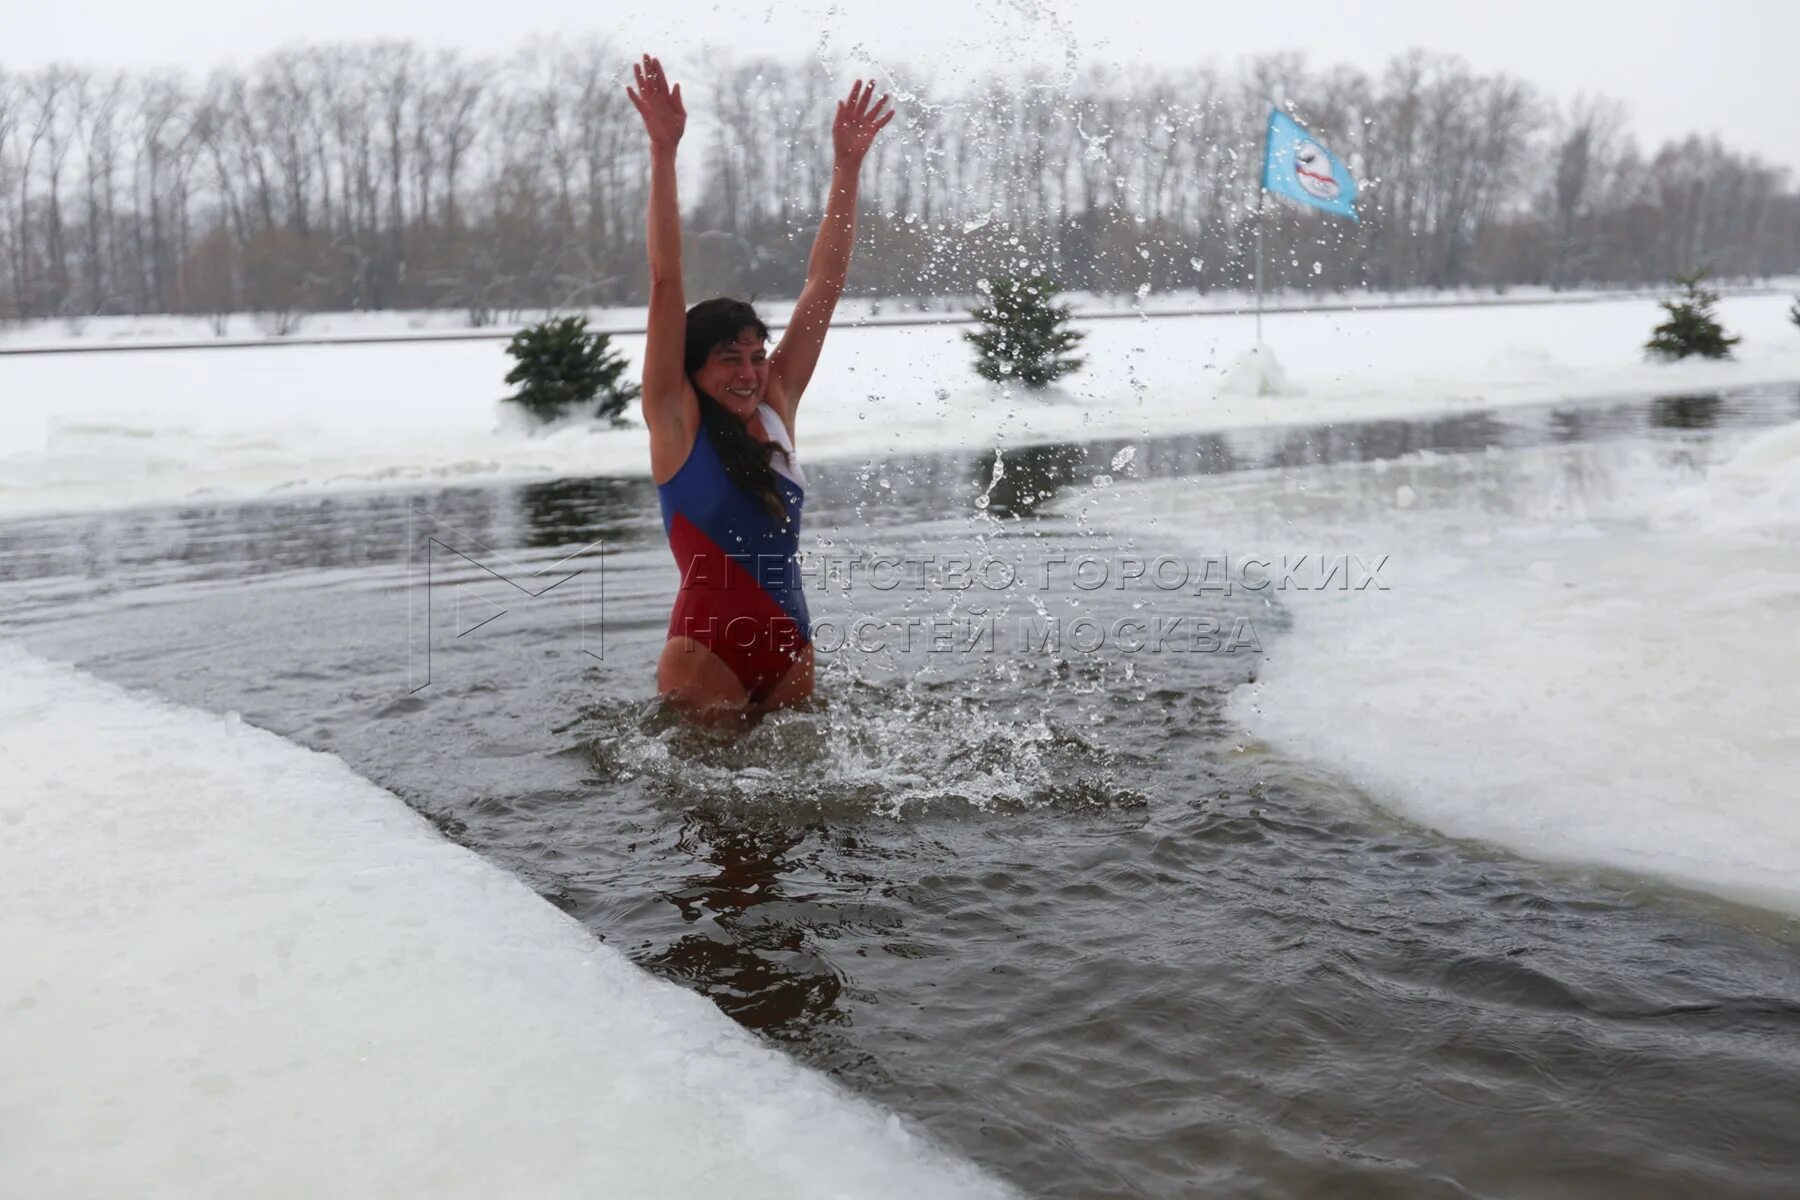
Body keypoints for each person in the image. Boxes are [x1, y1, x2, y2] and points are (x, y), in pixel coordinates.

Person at [627, 54, 893, 721]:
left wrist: (847, 170)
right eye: (728, 359)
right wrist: (664, 154)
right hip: (705, 655)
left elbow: (823, 284)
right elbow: (665, 282)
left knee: (799, 820)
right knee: (720, 819)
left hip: (790, 650)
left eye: (756, 355)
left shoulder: (776, 407)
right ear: (691, 369)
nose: (748, 372)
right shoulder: (675, 420)